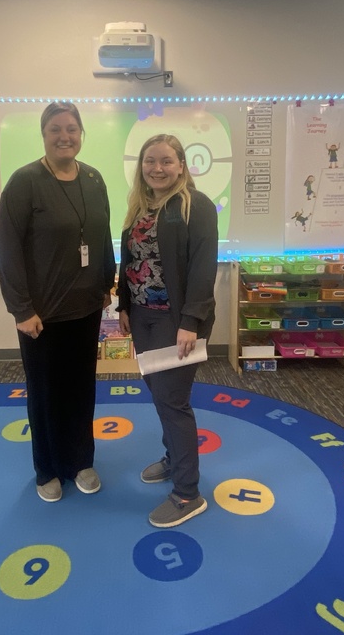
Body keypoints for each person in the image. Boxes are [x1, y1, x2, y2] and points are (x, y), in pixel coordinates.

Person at [0, 102, 115, 503]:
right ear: (43, 135)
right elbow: (8, 249)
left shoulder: (95, 179)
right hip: (41, 316)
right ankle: (47, 467)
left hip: (86, 308)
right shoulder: (24, 182)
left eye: (72, 129)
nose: (65, 136)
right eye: (55, 130)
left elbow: (102, 237)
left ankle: (80, 460)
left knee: (81, 390)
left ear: (82, 134)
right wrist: (21, 309)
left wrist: (107, 281)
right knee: (46, 393)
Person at [117, 134, 218, 528]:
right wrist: (124, 305)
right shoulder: (140, 208)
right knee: (160, 397)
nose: (157, 168)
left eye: (166, 161)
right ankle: (173, 458)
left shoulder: (196, 206)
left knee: (173, 402)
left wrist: (190, 322)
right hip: (143, 317)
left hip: (177, 322)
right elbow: (129, 261)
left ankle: (187, 493)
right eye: (149, 161)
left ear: (181, 165)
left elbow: (202, 268)